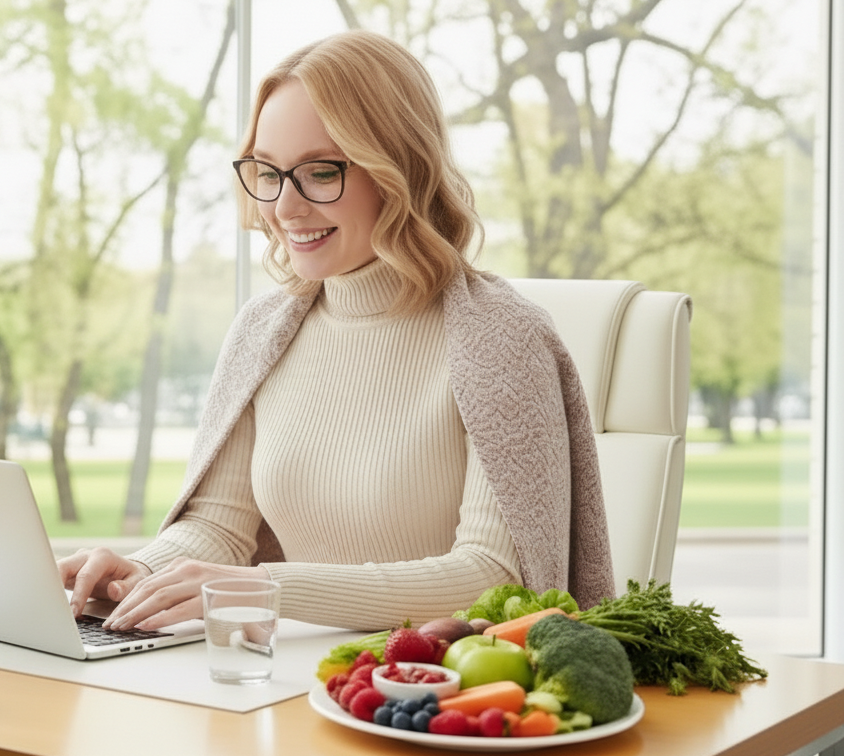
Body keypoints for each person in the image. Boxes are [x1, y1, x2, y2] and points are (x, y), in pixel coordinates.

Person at [58, 29, 614, 632]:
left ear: (399, 170)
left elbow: (496, 578)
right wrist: (136, 574)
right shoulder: (263, 330)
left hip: (432, 701)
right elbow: (218, 527)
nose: (285, 209)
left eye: (321, 173)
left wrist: (265, 589)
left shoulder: (502, 339)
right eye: (267, 172)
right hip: (288, 682)